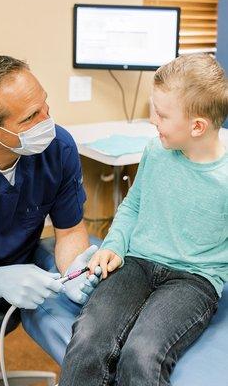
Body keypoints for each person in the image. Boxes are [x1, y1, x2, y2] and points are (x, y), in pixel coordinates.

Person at [58, 53, 228, 386]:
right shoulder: (155, 151)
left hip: (194, 280)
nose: (153, 121)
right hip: (136, 263)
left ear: (197, 126)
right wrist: (114, 245)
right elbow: (134, 204)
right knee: (88, 339)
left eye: (162, 115)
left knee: (141, 354)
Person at [0, 55, 101, 386]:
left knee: (101, 333)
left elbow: (69, 232)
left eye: (46, 106)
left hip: (27, 264)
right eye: (30, 118)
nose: (47, 122)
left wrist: (73, 269)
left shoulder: (59, 147)